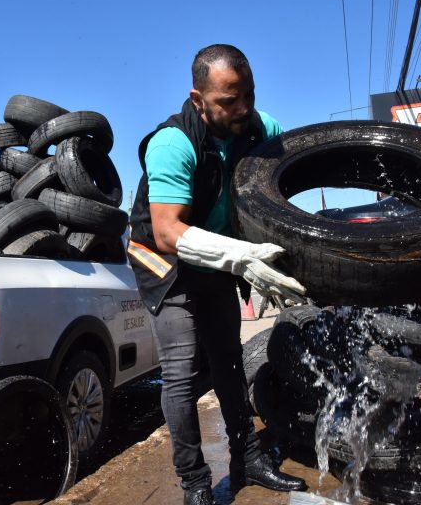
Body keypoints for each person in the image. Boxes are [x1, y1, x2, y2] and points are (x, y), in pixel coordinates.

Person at [127, 44, 307, 505]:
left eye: (248, 94)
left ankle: (248, 458)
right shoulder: (173, 143)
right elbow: (168, 231)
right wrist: (243, 258)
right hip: (164, 261)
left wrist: (288, 256)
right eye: (229, 100)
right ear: (197, 99)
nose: (243, 108)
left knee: (228, 357)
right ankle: (195, 484)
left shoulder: (263, 129)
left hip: (218, 254)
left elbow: (285, 192)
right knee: (183, 372)